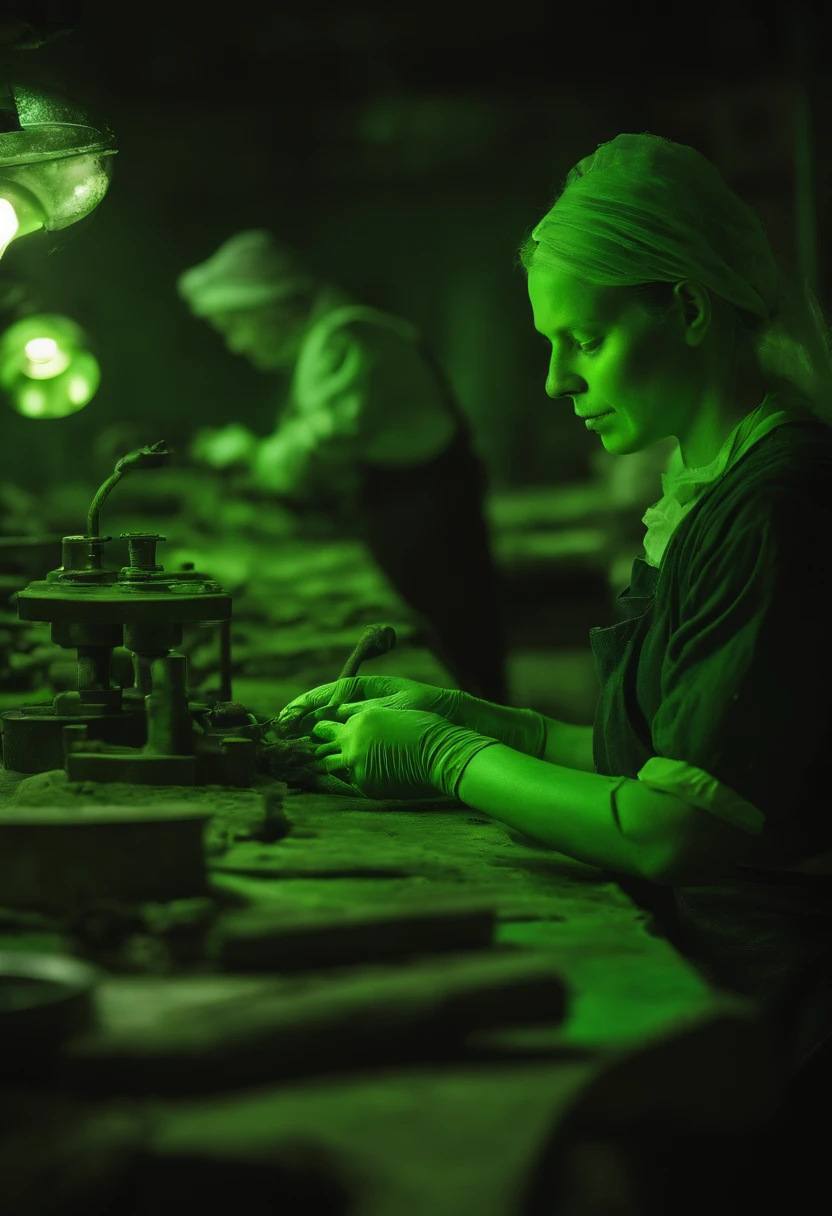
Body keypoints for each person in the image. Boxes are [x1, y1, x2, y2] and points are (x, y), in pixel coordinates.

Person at [278, 132, 832, 1172]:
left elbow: (678, 828)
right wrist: (487, 719)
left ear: (687, 308)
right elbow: (657, 754)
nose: (550, 380)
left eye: (579, 340)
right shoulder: (706, 487)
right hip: (730, 945)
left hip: (780, 989)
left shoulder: (776, 506)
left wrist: (451, 764)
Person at [176, 231, 508, 704]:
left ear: (271, 308)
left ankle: (489, 736)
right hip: (402, 499)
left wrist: (249, 453)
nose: (236, 344)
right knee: (447, 633)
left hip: (427, 509)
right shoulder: (328, 340)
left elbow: (313, 455)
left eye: (236, 326)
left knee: (455, 638)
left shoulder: (347, 338)